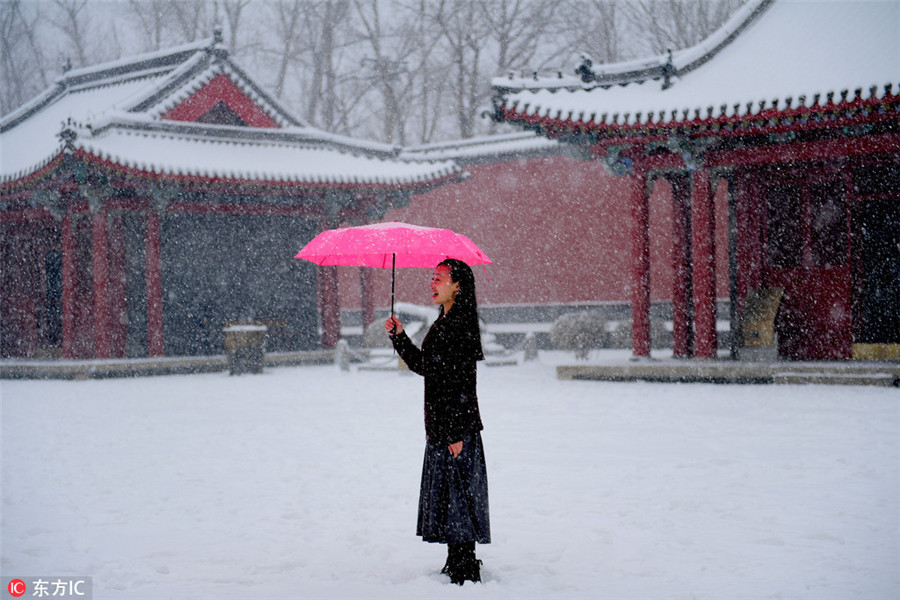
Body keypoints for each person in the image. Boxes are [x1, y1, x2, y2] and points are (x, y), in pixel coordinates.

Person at [384, 258, 490, 585]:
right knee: (451, 496)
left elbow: (460, 383)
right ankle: (456, 561)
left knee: (459, 498)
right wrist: (400, 337)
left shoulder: (458, 323)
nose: (432, 284)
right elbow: (428, 368)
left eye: (439, 278)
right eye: (432, 278)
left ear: (457, 285)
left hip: (455, 427)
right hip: (443, 425)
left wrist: (455, 433)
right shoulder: (444, 320)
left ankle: (464, 567)